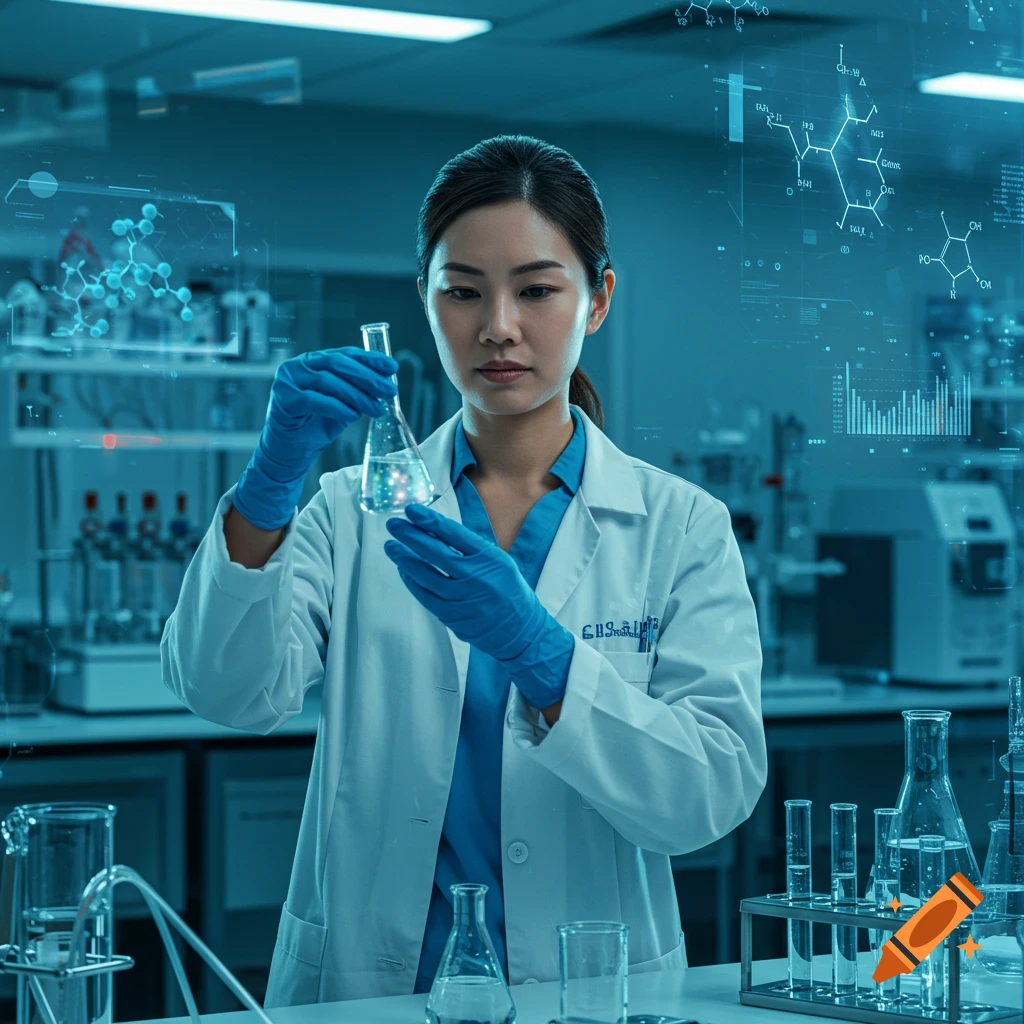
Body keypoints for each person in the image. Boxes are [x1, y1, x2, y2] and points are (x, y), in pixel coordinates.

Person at [162, 134, 766, 1008]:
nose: (498, 328)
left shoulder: (681, 527)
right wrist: (267, 489)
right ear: (425, 300)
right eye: (463, 292)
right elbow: (226, 690)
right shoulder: (345, 509)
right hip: (371, 985)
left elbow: (707, 795)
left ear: (597, 300)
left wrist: (542, 655)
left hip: (589, 985)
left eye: (537, 289)